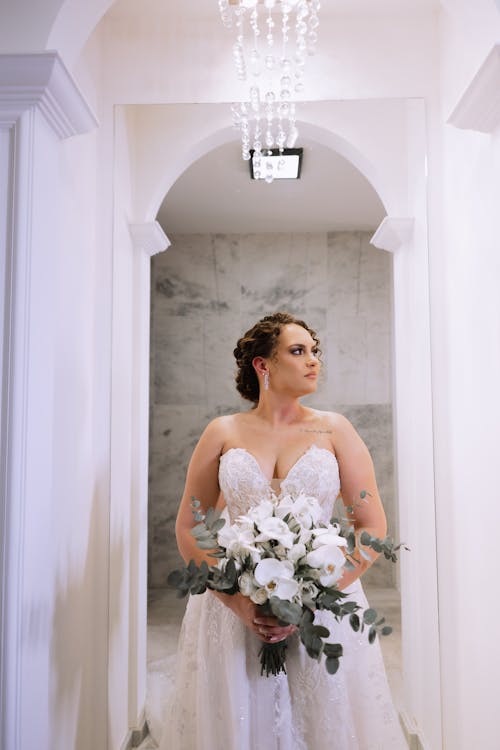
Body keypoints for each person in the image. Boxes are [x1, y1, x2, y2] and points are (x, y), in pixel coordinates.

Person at [159, 312, 407, 750]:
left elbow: (371, 526)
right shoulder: (223, 432)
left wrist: (314, 598)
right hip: (232, 602)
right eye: (299, 351)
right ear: (263, 365)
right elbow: (190, 525)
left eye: (315, 351)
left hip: (324, 605)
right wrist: (236, 601)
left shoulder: (335, 429)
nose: (314, 361)